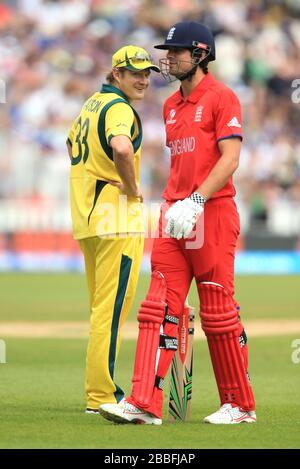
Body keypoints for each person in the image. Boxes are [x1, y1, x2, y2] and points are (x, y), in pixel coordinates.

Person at [99, 22, 256, 425]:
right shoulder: (170, 106)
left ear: (201, 54)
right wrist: (176, 205)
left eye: (178, 51)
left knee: (217, 310)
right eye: (168, 51)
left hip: (213, 212)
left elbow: (230, 159)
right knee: (157, 307)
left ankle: (239, 405)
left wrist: (198, 199)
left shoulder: (223, 98)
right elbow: (181, 164)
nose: (168, 59)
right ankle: (144, 403)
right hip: (176, 215)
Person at [66, 45, 160, 413]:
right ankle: (102, 396)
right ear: (116, 73)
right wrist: (133, 189)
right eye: (134, 72)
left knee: (101, 309)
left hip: (88, 217)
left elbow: (70, 142)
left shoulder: (91, 104)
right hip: (116, 219)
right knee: (111, 311)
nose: (143, 79)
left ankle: (97, 392)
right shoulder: (120, 108)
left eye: (147, 73)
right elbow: (122, 148)